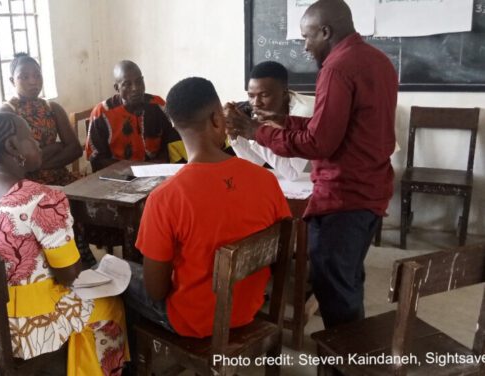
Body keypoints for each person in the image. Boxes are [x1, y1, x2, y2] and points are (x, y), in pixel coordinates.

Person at [227, 0, 398, 328]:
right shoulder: (378, 61)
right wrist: (281, 121)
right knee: (347, 281)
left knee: (334, 292)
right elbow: (334, 129)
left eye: (307, 37)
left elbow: (320, 143)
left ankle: (342, 361)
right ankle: (350, 352)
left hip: (344, 198)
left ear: (326, 31)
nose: (305, 46)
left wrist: (256, 132)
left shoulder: (336, 67)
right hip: (370, 192)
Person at [0, 112, 128, 375]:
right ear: (12, 147)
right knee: (110, 306)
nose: (38, 144)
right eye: (31, 138)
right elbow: (69, 274)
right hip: (23, 327)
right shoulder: (41, 198)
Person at [124, 77, 291, 338]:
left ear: (174, 125)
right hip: (249, 309)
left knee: (118, 274)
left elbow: (156, 291)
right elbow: (282, 252)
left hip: (193, 322)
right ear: (217, 119)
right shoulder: (266, 180)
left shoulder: (164, 198)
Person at [85, 60, 185, 172]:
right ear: (116, 88)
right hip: (118, 175)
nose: (135, 88)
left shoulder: (157, 105)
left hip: (155, 172)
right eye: (127, 84)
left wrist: (154, 167)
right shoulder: (102, 113)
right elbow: (97, 159)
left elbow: (172, 143)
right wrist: (133, 170)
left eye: (139, 82)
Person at [0, 52, 83, 185]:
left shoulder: (52, 108)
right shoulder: (6, 113)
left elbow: (75, 150)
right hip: (26, 185)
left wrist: (37, 166)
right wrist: (56, 148)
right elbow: (11, 163)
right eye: (24, 77)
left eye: (37, 76)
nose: (33, 82)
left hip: (60, 178)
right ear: (12, 80)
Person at [228, 61, 314, 181]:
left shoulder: (304, 111)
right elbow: (255, 164)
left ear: (284, 93)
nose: (256, 103)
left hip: (324, 183)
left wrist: (255, 133)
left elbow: (292, 173)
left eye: (264, 95)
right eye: (251, 96)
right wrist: (235, 135)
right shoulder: (267, 108)